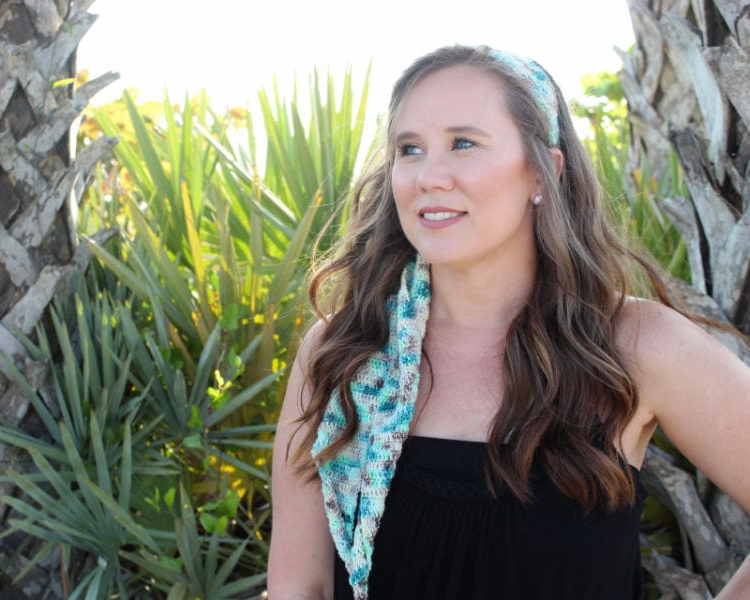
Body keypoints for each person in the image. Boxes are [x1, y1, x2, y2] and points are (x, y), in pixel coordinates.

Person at [267, 44, 750, 599]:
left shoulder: (634, 345)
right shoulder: (345, 350)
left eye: (464, 143)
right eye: (410, 148)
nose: (429, 175)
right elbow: (299, 585)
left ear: (544, 173)